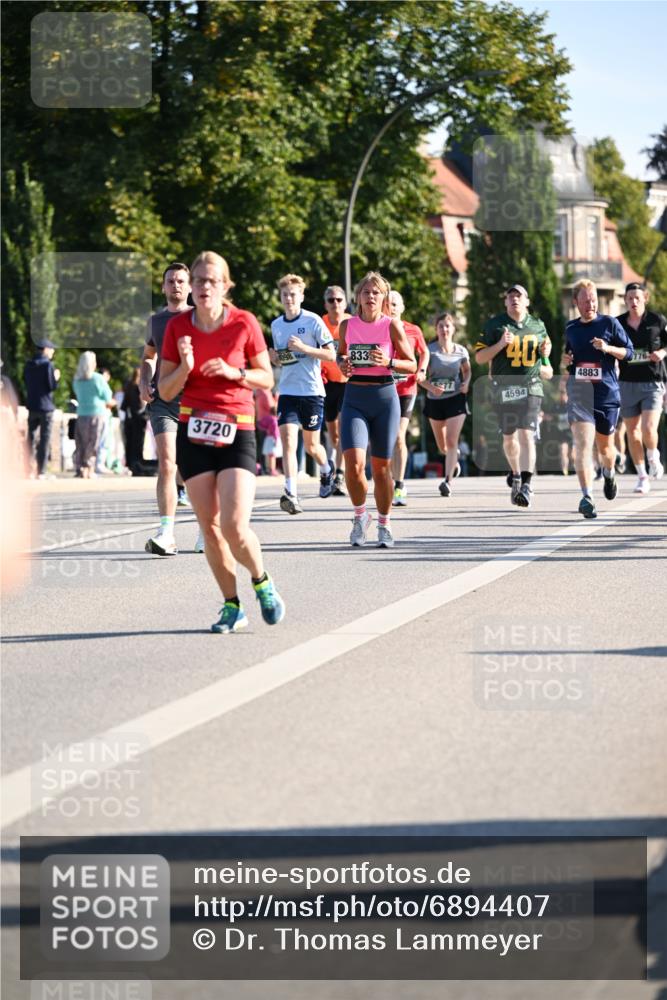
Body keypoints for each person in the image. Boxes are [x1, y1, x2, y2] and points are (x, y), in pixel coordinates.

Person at [159, 250, 285, 633]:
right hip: (193, 431)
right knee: (209, 527)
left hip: (237, 429)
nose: (203, 287)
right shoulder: (177, 328)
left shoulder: (243, 323)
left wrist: (236, 372)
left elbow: (266, 378)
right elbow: (165, 390)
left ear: (226, 285)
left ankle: (261, 580)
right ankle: (232, 606)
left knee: (233, 525)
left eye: (212, 280)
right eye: (198, 280)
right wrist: (186, 366)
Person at [337, 271, 416, 547]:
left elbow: (412, 364)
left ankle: (384, 523)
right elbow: (341, 354)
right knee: (354, 464)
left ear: (383, 298)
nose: (370, 296)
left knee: (381, 469)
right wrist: (342, 363)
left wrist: (389, 361)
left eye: (376, 292)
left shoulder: (391, 325)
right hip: (355, 395)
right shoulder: (347, 326)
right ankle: (360, 517)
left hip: (384, 396)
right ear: (358, 296)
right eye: (366, 292)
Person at [475, 284, 553, 509]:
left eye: (518, 296)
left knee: (526, 435)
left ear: (527, 301)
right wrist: (500, 344)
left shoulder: (538, 326)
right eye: (510, 297)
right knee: (509, 439)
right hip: (504, 390)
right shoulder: (495, 325)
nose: (514, 299)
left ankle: (527, 484)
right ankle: (516, 474)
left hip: (531, 387)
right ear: (505, 302)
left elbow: (546, 364)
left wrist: (545, 356)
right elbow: (480, 358)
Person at [564, 279, 634, 518]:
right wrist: (566, 362)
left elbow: (630, 353)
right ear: (576, 302)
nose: (590, 304)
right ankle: (587, 496)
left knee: (606, 449)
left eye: (593, 300)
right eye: (585, 301)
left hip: (606, 395)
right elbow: (569, 357)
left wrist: (607, 349)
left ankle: (609, 473)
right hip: (579, 395)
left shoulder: (610, 323)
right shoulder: (570, 328)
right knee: (582, 446)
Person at [140, 262, 197, 555]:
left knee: (195, 468)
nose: (175, 285)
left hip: (196, 401)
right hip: (163, 401)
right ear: (163, 287)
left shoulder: (200, 318)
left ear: (189, 287)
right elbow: (149, 355)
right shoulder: (156, 321)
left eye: (180, 281)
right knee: (166, 463)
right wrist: (143, 380)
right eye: (170, 281)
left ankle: (205, 528)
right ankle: (167, 534)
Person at [269, 274, 336, 514]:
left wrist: (304, 348)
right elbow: (283, 360)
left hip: (312, 391)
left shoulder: (313, 321)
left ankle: (327, 470)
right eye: (285, 295)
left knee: (312, 447)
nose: (289, 299)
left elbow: (331, 355)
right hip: (287, 391)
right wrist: (276, 358)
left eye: (293, 295)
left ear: (301, 296)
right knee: (287, 440)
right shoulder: (276, 325)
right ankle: (291, 493)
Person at [616, 281, 667, 494]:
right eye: (629, 298)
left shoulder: (657, 320)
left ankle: (653, 455)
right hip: (627, 383)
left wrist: (662, 353)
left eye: (637, 298)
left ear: (645, 298)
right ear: (625, 300)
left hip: (652, 382)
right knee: (632, 433)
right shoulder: (618, 323)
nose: (633, 302)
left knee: (648, 428)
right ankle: (642, 476)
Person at [419, 312, 469, 497]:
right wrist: (432, 387)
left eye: (448, 326)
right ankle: (453, 462)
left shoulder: (461, 351)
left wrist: (466, 383)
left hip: (456, 398)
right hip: (435, 401)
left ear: (453, 329)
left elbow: (467, 371)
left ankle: (447, 481)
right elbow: (420, 378)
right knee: (443, 446)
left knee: (451, 441)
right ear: (436, 329)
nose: (444, 329)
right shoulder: (429, 350)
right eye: (441, 326)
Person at [387, 290, 429, 506]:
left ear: (402, 307)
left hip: (406, 389)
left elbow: (425, 352)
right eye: (388, 303)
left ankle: (400, 484)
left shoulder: (413, 330)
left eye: (395, 303)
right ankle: (389, 480)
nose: (391, 307)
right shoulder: (380, 329)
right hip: (384, 388)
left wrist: (421, 370)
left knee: (399, 436)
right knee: (386, 439)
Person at [321, 285, 351, 495]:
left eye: (339, 300)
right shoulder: (319, 323)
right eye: (331, 300)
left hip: (348, 382)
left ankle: (339, 474)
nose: (335, 304)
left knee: (342, 433)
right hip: (327, 383)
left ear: (345, 303)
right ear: (326, 304)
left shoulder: (351, 322)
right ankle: (333, 465)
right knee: (333, 436)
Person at [72, 351, 116, 478]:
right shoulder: (98, 378)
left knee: (81, 443)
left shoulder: (77, 379)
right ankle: (89, 469)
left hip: (81, 414)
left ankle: (80, 468)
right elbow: (107, 397)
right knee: (94, 443)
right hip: (97, 414)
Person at [23, 338, 60, 478]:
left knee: (30, 439)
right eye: (51, 349)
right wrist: (56, 378)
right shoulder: (48, 365)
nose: (53, 352)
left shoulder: (29, 364)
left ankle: (27, 470)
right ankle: (41, 471)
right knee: (44, 439)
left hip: (32, 405)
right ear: (45, 349)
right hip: (46, 407)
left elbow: (25, 382)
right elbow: (51, 386)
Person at [121, 367, 148, 473]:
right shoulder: (139, 388)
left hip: (129, 419)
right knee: (138, 442)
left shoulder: (128, 387)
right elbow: (141, 404)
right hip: (139, 418)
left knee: (129, 442)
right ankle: (137, 464)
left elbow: (124, 405)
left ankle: (130, 464)